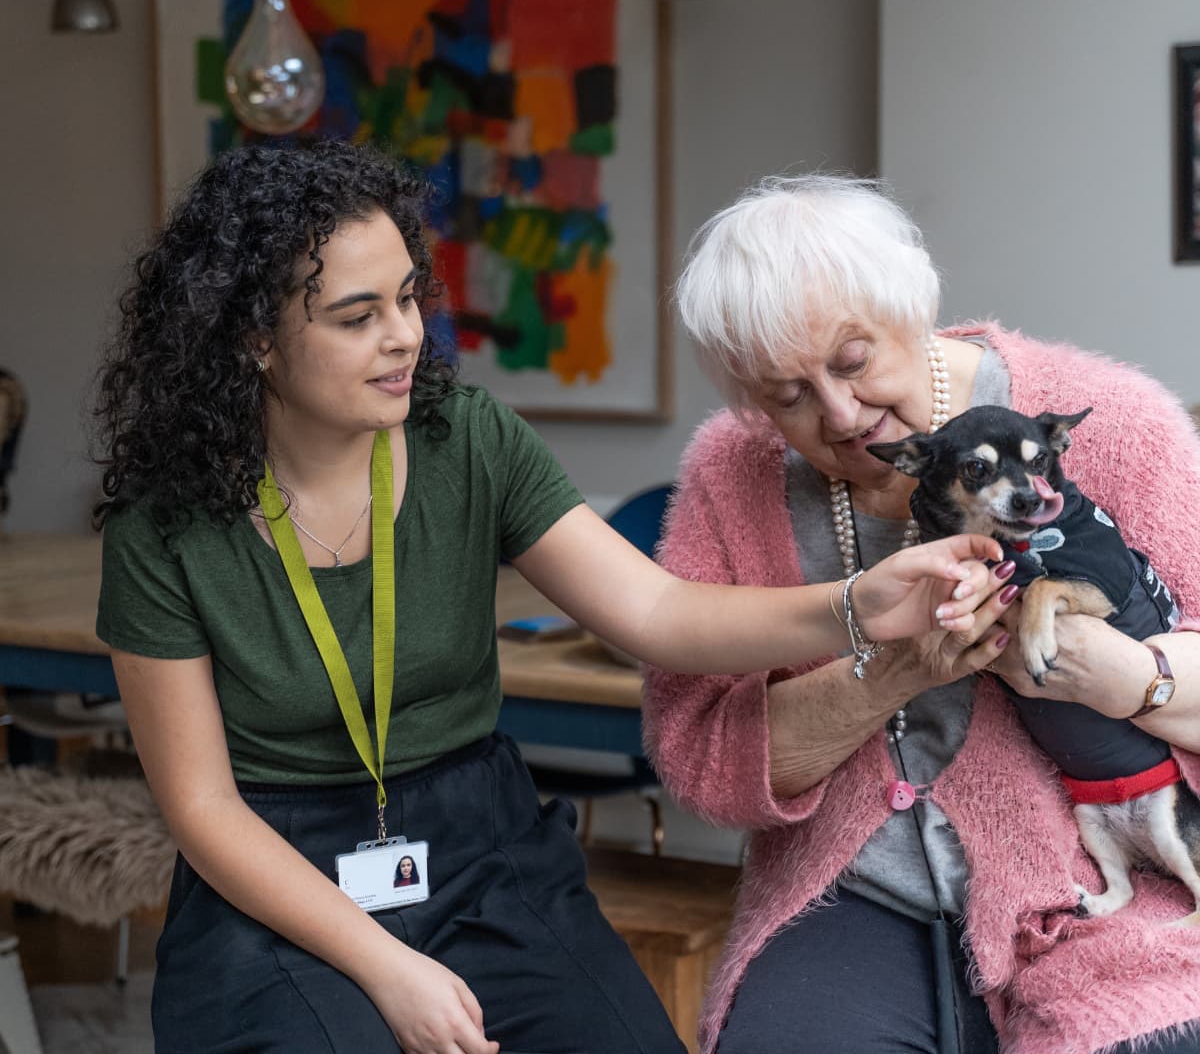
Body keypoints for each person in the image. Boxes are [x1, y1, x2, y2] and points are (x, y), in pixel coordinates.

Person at [91, 142, 1005, 1054]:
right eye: (356, 317)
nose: (405, 335)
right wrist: (385, 966)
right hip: (276, 877)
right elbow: (204, 809)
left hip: (480, 846)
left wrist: (856, 605)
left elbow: (656, 613)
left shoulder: (467, 439)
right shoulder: (164, 527)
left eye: (408, 297)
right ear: (256, 338)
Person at [643, 172, 1200, 1054]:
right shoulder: (731, 472)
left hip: (1128, 871)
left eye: (854, 360)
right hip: (859, 895)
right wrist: (895, 666)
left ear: (914, 305)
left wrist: (1130, 674)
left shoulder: (1119, 422)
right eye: (785, 395)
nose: (839, 414)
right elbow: (703, 758)